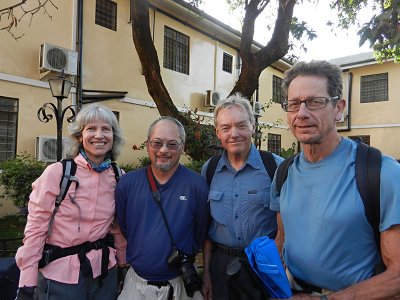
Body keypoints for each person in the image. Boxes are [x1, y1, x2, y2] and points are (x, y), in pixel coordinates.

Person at [270, 60, 400, 299]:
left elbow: (397, 275)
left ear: (338, 109)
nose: (302, 113)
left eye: (315, 102)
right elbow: (282, 237)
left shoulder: (381, 173)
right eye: (294, 104)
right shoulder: (284, 172)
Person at [15, 104, 127, 300]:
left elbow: (117, 226)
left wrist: (123, 264)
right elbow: (36, 228)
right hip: (61, 277)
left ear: (113, 137)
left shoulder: (118, 176)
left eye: (106, 129)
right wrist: (27, 283)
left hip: (104, 274)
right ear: (79, 136)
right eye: (91, 128)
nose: (99, 135)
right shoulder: (58, 173)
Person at [115, 116, 210, 300]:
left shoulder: (197, 186)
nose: (164, 150)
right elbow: (126, 228)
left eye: (172, 144)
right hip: (136, 287)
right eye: (157, 143)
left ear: (182, 147)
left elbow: (199, 235)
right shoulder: (127, 184)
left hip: (180, 286)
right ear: (148, 144)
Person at [201, 94, 284, 300]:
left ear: (253, 126)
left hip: (264, 266)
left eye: (241, 125)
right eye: (226, 127)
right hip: (221, 266)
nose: (234, 134)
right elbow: (207, 229)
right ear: (217, 132)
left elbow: (291, 223)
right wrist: (207, 275)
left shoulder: (276, 167)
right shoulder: (209, 170)